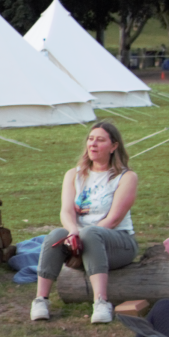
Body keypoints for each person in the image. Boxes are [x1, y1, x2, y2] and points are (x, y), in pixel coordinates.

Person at [30, 121, 139, 325]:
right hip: (80, 239)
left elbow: (114, 219)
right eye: (90, 139)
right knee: (55, 235)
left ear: (114, 146)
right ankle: (41, 300)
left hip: (118, 241)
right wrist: (72, 231)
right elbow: (66, 211)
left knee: (91, 233)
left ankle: (101, 302)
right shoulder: (74, 174)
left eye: (100, 140)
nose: (93, 144)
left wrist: (82, 236)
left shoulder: (126, 177)